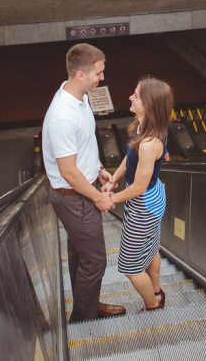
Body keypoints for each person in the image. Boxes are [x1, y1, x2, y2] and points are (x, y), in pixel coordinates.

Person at [42, 43, 125, 322]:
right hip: (74, 196)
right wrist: (98, 197)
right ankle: (83, 318)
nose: (102, 78)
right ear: (80, 74)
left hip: (81, 189)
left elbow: (85, 144)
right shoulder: (62, 117)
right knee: (95, 261)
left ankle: (86, 306)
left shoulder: (81, 97)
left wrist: (98, 167)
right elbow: (68, 172)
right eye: (98, 73)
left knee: (80, 256)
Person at [103, 77, 172, 312]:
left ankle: (153, 305)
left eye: (136, 95)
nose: (131, 97)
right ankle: (155, 290)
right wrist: (114, 178)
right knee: (151, 248)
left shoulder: (149, 143)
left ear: (150, 104)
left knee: (130, 267)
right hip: (152, 197)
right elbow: (129, 158)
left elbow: (139, 187)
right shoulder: (144, 127)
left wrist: (110, 199)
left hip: (144, 204)